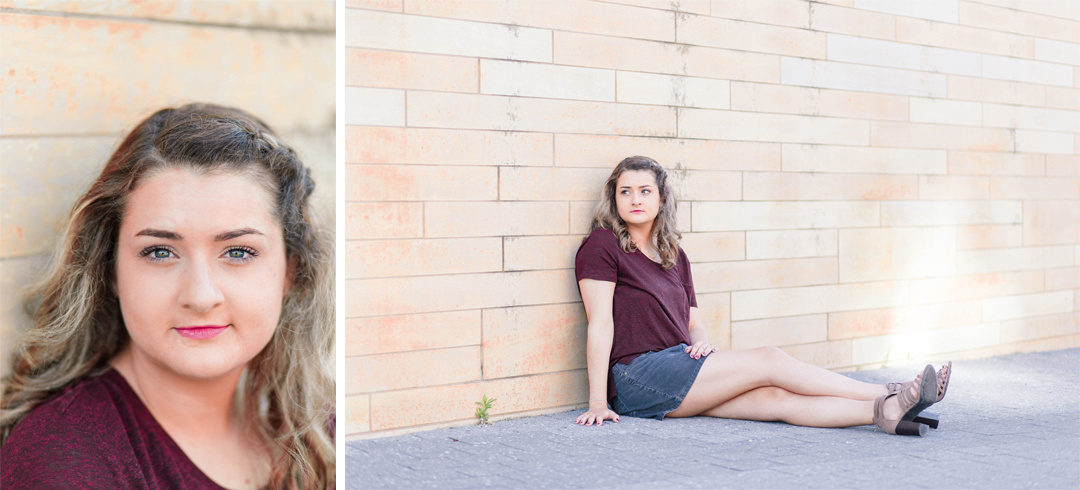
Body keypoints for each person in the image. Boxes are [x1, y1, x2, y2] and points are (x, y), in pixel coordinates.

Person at [0, 104, 334, 488]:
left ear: (290, 271)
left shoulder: (319, 433)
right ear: (110, 269)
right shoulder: (63, 459)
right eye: (160, 252)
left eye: (238, 252)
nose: (201, 295)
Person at [573, 156, 951, 436]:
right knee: (770, 360)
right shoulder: (603, 246)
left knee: (775, 398)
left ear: (660, 200)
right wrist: (597, 403)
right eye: (626, 191)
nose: (635, 199)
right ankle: (895, 389)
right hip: (637, 375)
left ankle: (883, 411)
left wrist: (701, 344)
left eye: (644, 191)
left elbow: (693, 324)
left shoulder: (674, 254)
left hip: (679, 365)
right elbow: (601, 323)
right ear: (614, 198)